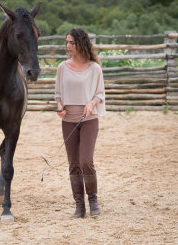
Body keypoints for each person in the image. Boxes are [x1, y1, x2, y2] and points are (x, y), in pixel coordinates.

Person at [55, 28, 106, 218]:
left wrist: (92, 103)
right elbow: (58, 94)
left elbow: (100, 94)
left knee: (86, 161)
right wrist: (60, 106)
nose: (68, 46)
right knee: (73, 164)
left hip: (89, 120)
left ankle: (93, 200)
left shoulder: (95, 68)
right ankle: (79, 205)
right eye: (66, 42)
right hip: (68, 120)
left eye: (72, 43)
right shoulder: (62, 67)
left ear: (81, 43)